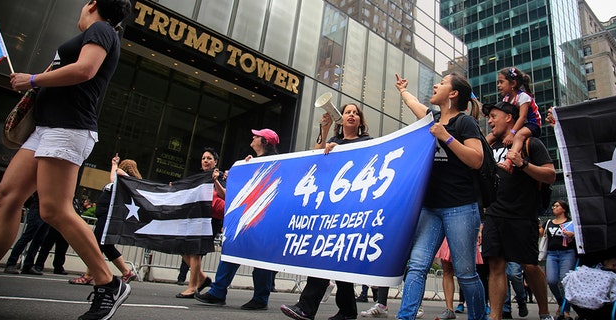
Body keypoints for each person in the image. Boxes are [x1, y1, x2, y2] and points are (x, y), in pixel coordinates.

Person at [0, 1, 132, 319]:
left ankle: (108, 282)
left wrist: (32, 80)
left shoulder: (102, 29)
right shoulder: (98, 33)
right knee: (7, 196)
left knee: (54, 209)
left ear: (93, 4)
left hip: (68, 127)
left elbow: (85, 70)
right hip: (45, 128)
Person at [390, 73, 487, 320]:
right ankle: (405, 317)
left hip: (461, 208)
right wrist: (402, 91)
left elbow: (476, 160)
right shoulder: (431, 118)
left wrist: (446, 137)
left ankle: (478, 317)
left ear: (453, 94)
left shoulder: (465, 123)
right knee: (417, 266)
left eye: (442, 83)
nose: (436, 85)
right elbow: (415, 105)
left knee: (465, 273)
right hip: (430, 208)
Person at [281, 103, 372, 320]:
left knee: (330, 257)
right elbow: (315, 158)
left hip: (352, 208)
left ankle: (307, 307)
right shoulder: (333, 142)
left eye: (355, 113)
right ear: (341, 119)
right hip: (330, 208)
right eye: (347, 112)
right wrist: (325, 134)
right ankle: (347, 312)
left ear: (360, 120)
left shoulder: (367, 142)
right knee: (332, 257)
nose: (351, 115)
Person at [481, 101, 556, 320]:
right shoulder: (491, 146)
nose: (490, 120)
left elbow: (550, 175)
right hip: (494, 215)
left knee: (530, 266)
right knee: (496, 265)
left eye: (494, 116)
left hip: (523, 216)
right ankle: (495, 316)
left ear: (509, 118)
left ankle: (544, 313)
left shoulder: (530, 143)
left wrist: (523, 164)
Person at [195, 133, 278, 310]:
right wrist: (236, 175)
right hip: (244, 218)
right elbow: (234, 195)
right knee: (231, 253)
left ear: (265, 141)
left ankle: (261, 298)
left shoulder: (277, 162)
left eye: (257, 136)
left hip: (263, 220)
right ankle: (218, 292)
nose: (253, 138)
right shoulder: (249, 163)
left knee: (261, 260)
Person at [68, 155, 141, 285]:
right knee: (105, 246)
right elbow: (114, 177)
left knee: (96, 245)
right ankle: (126, 272)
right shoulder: (119, 181)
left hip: (108, 216)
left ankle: (89, 275)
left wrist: (116, 167)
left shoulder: (126, 181)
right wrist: (114, 166)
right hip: (104, 216)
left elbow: (115, 176)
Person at [175, 147, 223, 298]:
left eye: (209, 158)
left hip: (211, 219)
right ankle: (201, 278)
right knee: (182, 247)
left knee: (196, 251)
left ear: (215, 162)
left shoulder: (222, 177)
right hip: (196, 217)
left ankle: (192, 287)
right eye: (203, 158)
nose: (206, 161)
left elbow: (224, 195)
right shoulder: (199, 178)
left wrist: (216, 180)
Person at [490, 67, 542, 172]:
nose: (498, 85)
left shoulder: (523, 97)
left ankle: (509, 161)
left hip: (532, 124)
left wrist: (512, 133)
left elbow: (522, 117)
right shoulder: (506, 99)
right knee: (492, 136)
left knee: (519, 136)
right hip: (521, 124)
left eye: (501, 82)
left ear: (513, 84)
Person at [542, 199, 575, 318]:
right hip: (551, 254)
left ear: (564, 209)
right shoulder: (548, 222)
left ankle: (565, 309)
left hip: (567, 253)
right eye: (553, 206)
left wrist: (573, 235)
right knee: (551, 280)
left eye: (557, 206)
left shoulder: (571, 223)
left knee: (564, 280)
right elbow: (540, 233)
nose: (554, 208)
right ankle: (561, 302)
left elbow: (579, 235)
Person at [3, 193, 50, 275]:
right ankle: (11, 263)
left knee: (39, 240)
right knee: (28, 236)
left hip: (48, 209)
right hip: (38, 206)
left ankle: (28, 265)